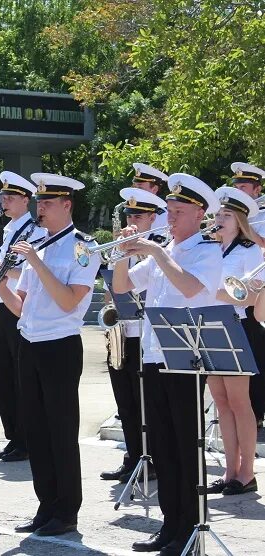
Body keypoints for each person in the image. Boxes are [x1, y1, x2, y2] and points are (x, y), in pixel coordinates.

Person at [112, 173, 222, 555]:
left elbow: (192, 289)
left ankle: (189, 526)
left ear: (198, 213)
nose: (170, 218)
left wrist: (157, 253)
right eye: (169, 211)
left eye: (177, 212)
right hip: (155, 355)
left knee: (184, 447)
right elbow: (124, 288)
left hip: (187, 360)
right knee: (160, 444)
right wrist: (123, 254)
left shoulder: (207, 250)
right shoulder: (165, 249)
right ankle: (169, 525)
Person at [0, 173, 101, 537]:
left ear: (67, 205)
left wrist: (37, 263)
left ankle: (66, 510)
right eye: (39, 202)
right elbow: (21, 307)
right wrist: (0, 285)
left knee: (60, 431)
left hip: (60, 345)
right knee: (36, 431)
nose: (41, 209)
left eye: (48, 203)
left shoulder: (84, 248)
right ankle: (46, 505)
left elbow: (71, 299)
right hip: (30, 341)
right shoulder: (36, 242)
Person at [99, 187, 166, 483]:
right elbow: (112, 286)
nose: (132, 221)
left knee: (145, 402)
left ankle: (150, 458)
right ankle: (132, 456)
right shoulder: (121, 245)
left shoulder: (161, 245)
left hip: (145, 331)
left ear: (153, 218)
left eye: (138, 215)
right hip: (122, 330)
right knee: (125, 401)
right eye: (129, 215)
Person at [0, 171, 46, 462]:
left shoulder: (36, 232)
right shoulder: (8, 230)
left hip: (19, 308)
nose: (4, 202)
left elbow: (31, 273)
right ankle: (13, 436)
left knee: (20, 376)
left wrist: (2, 272)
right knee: (4, 376)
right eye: (3, 197)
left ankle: (26, 438)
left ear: (26, 200)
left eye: (10, 197)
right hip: (0, 306)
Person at [205, 186, 262, 496]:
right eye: (218, 214)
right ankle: (229, 470)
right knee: (221, 403)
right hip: (211, 325)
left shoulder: (249, 250)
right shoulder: (211, 249)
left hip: (238, 325)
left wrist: (209, 292)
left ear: (240, 220)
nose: (219, 219)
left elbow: (252, 297)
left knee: (240, 402)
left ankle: (247, 472)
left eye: (226, 215)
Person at [229, 162, 265, 426]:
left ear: (257, 189)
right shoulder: (229, 214)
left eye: (244, 187)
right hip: (236, 294)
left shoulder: (262, 216)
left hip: (258, 294)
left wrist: (243, 224)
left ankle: (258, 416)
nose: (239, 191)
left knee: (258, 358)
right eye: (236, 186)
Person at [131, 163, 169, 231]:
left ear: (154, 189)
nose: (136, 192)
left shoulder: (164, 217)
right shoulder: (131, 210)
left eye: (140, 188)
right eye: (135, 187)